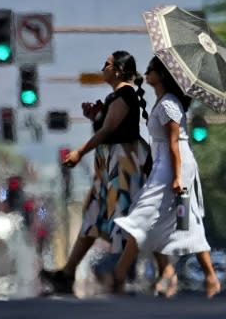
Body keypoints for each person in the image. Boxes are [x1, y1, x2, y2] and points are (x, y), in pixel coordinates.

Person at [41, 50, 169, 294]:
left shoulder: (125, 94)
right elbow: (107, 125)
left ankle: (162, 273)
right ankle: (67, 274)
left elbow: (109, 130)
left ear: (119, 70)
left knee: (136, 219)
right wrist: (94, 116)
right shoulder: (116, 97)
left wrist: (79, 152)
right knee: (93, 218)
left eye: (107, 64)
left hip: (123, 165)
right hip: (110, 165)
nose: (103, 68)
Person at [111, 56, 221, 298]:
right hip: (166, 164)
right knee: (185, 222)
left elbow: (174, 143)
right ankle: (210, 277)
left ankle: (118, 276)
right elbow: (162, 144)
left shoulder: (170, 104)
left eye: (151, 69)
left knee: (141, 217)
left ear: (162, 75)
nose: (147, 72)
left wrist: (177, 178)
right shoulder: (162, 101)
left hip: (174, 165)